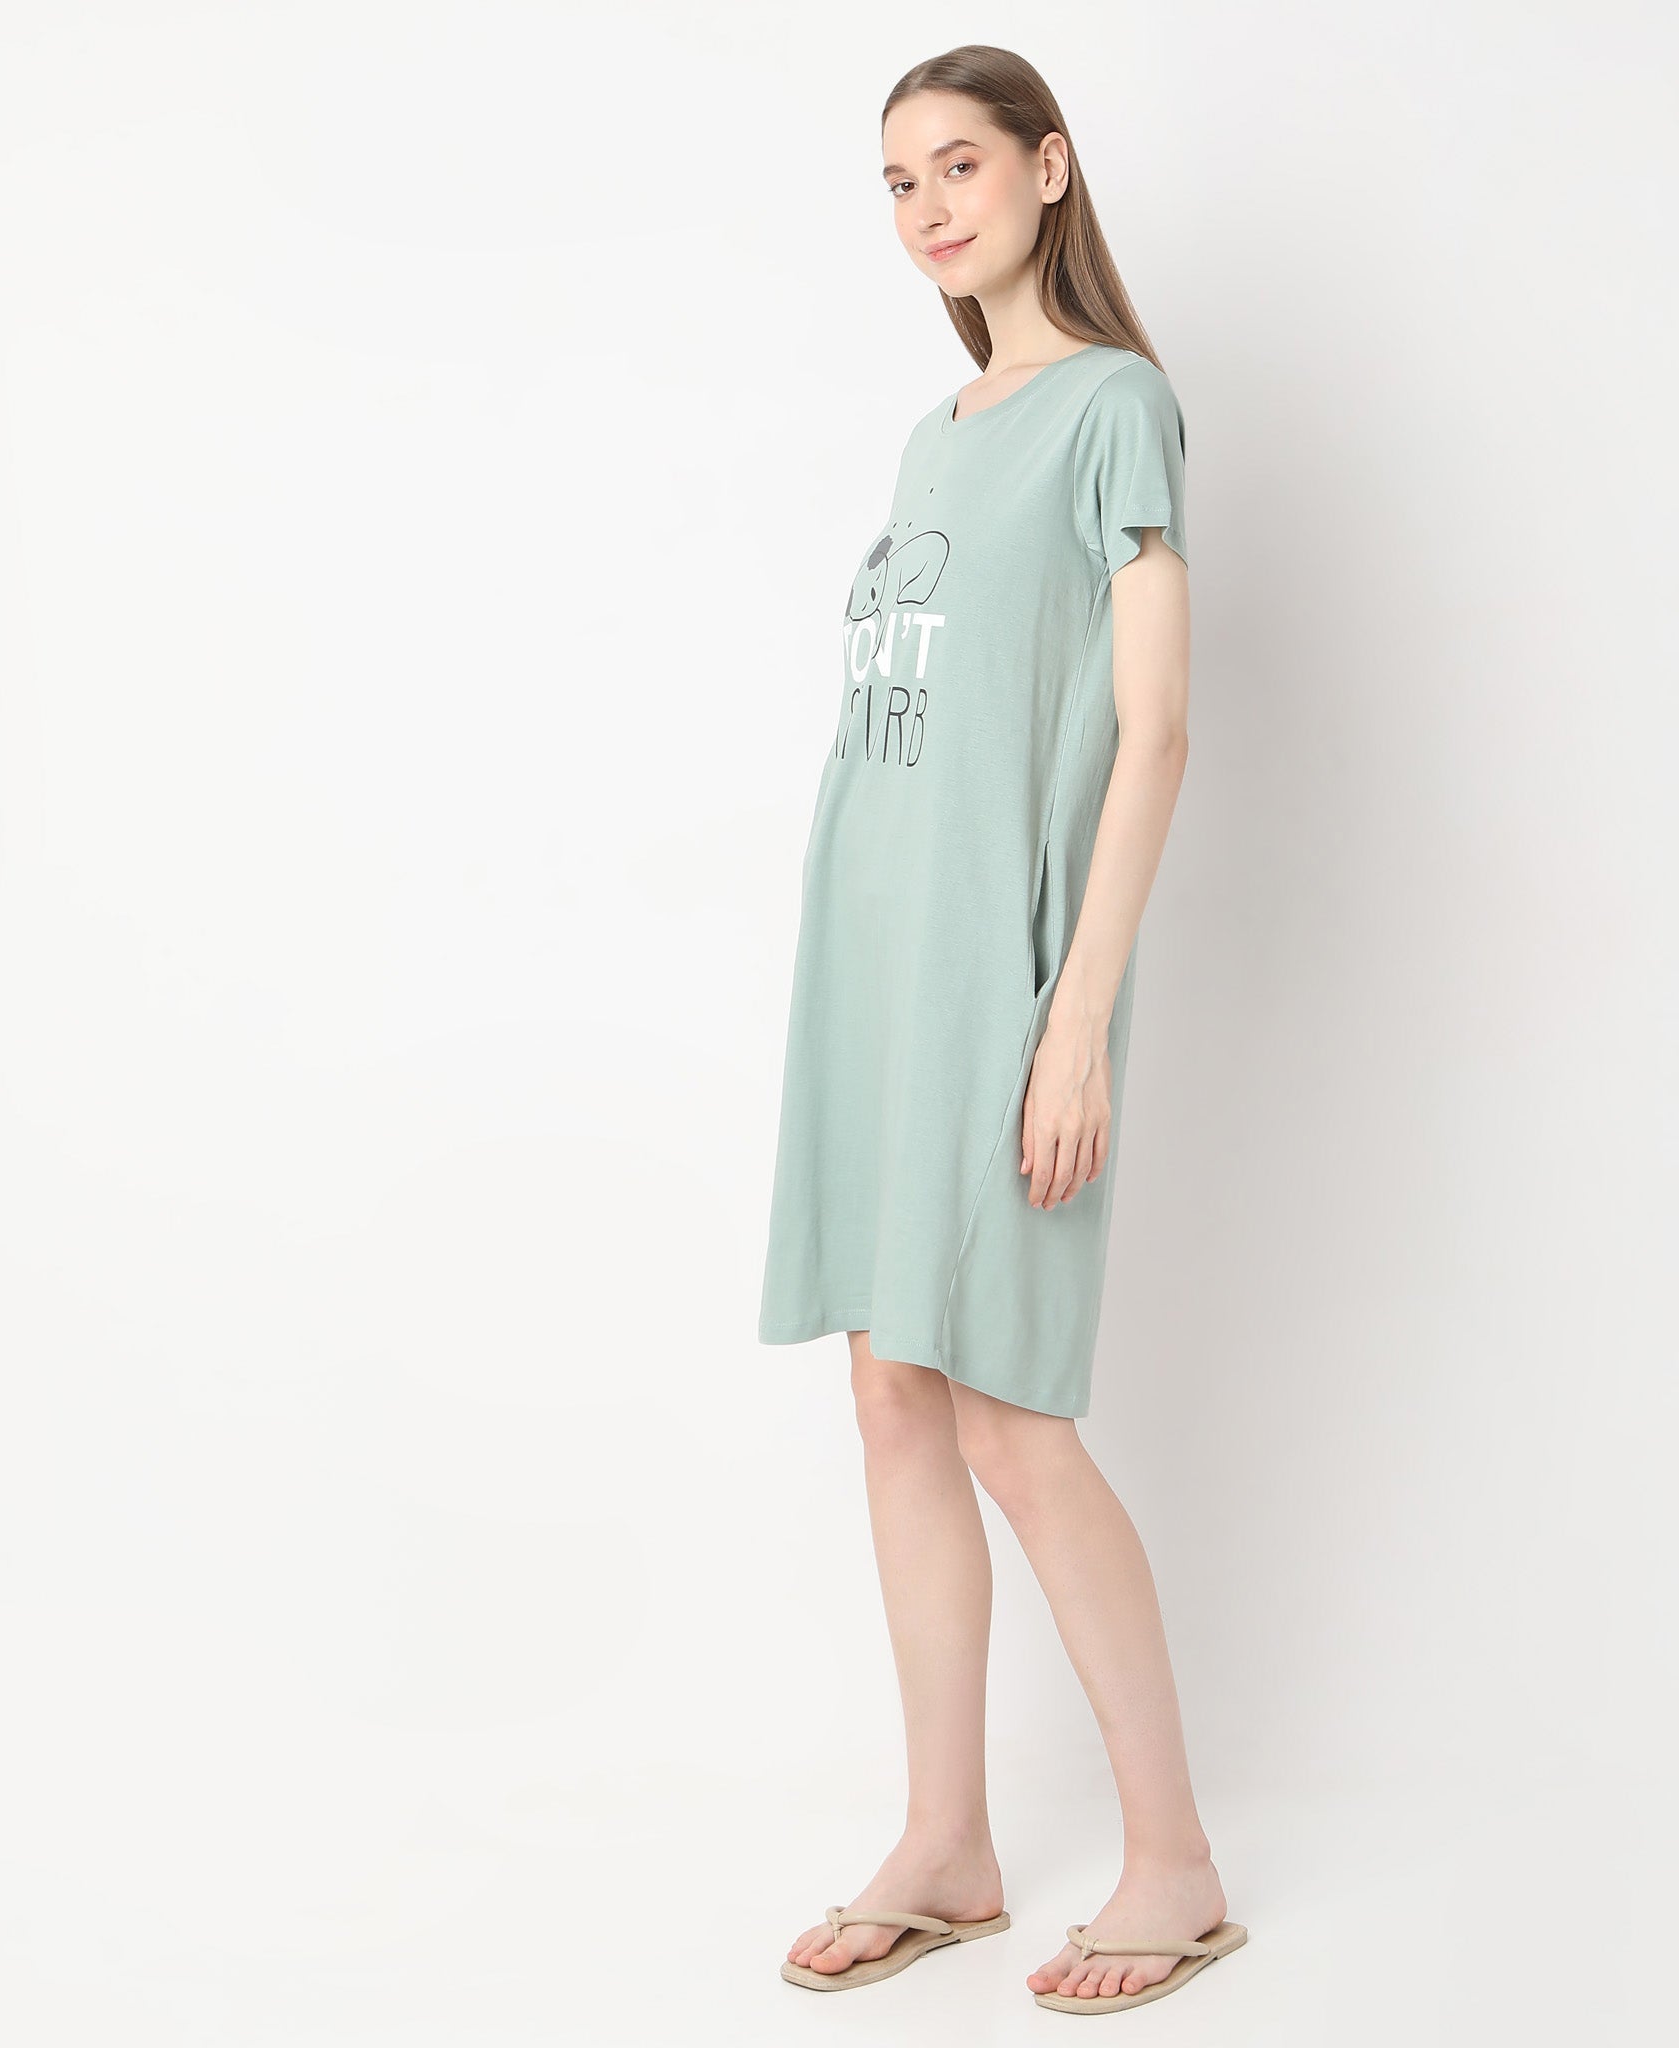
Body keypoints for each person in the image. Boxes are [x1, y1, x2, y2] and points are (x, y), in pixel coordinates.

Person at [757, 46, 1248, 2016]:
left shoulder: (1114, 409)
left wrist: (1075, 1023)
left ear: (1048, 169)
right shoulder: (935, 433)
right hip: (869, 970)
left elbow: (1157, 732)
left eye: (957, 165)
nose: (927, 209)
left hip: (1000, 981)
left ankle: (1174, 1864)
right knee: (890, 1395)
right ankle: (946, 1840)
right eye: (897, 182)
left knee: (1014, 1425)